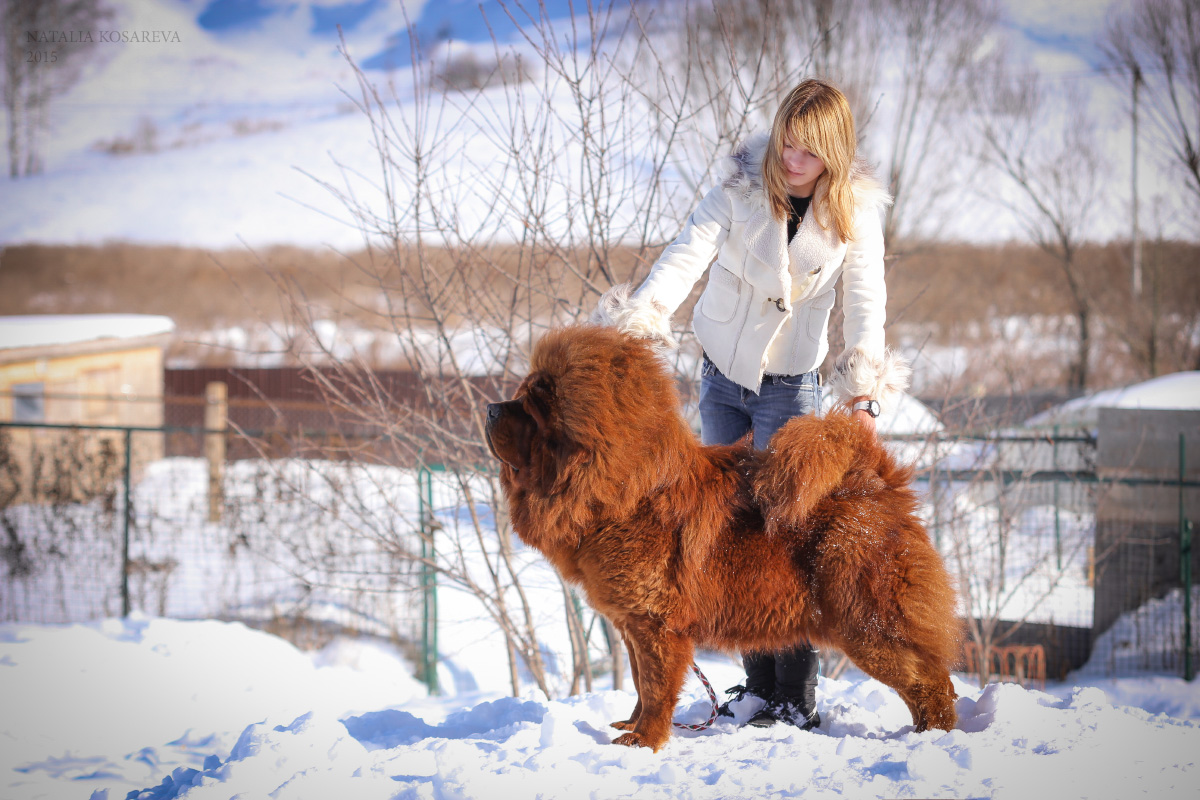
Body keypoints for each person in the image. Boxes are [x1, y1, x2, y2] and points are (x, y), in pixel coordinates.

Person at [609, 79, 910, 730]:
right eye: (786, 143)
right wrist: (646, 316)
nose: (792, 160)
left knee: (789, 531)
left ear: (833, 153)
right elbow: (686, 252)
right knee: (730, 531)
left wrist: (863, 392)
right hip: (721, 377)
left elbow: (866, 302)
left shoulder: (854, 212)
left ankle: (793, 696)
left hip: (790, 386)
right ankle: (756, 687)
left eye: (809, 151)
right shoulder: (741, 186)